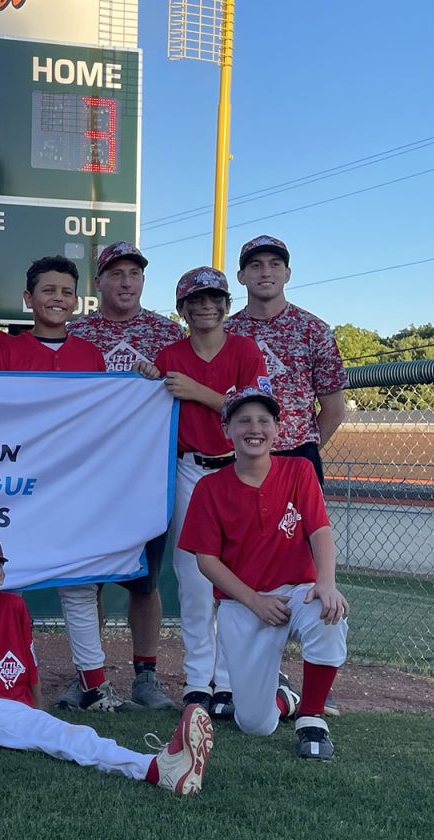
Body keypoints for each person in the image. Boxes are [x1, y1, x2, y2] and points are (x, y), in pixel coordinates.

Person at [0, 533, 214, 806]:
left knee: (75, 737)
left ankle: (158, 768)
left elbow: (30, 665)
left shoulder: (15, 607)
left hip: (13, 707)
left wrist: (39, 714)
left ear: (2, 576)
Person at [0, 257, 131, 712]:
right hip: (15, 487)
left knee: (79, 586)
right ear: (28, 299)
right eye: (48, 290)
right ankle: (5, 679)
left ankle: (94, 683)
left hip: (72, 488)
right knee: (9, 584)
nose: (58, 299)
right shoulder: (4, 352)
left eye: (66, 292)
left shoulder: (90, 356)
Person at [178, 387, 348, 760]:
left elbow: (319, 530)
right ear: (228, 431)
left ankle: (312, 718)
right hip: (245, 602)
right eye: (243, 421)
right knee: (255, 723)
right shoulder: (210, 487)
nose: (254, 428)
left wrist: (326, 583)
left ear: (277, 429)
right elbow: (206, 561)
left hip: (298, 590)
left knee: (328, 612)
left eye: (263, 421)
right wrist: (255, 601)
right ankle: (284, 698)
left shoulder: (299, 469)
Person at [135, 266, 267, 714]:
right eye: (196, 300)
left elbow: (256, 412)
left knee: (238, 579)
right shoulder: (170, 353)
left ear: (227, 306)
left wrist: (197, 391)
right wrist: (148, 378)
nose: (205, 306)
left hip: (239, 470)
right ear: (183, 308)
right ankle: (198, 682)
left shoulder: (245, 350)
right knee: (194, 580)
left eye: (213, 299)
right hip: (189, 470)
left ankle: (229, 683)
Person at [228, 235, 347, 716]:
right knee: (248, 565)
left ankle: (318, 681)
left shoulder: (313, 330)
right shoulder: (230, 332)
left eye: (275, 264)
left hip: (296, 455)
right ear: (241, 276)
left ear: (287, 273)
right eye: (255, 265)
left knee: (306, 572)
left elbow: (334, 407)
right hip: (237, 461)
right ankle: (261, 675)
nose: (265, 273)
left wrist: (300, 451)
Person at [64, 241, 185, 712]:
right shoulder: (79, 333)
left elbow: (181, 392)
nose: (126, 281)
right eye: (116, 274)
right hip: (88, 475)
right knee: (87, 580)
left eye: (134, 273)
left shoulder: (165, 332)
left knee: (145, 582)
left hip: (144, 475)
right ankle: (87, 674)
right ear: (100, 283)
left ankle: (145, 675)